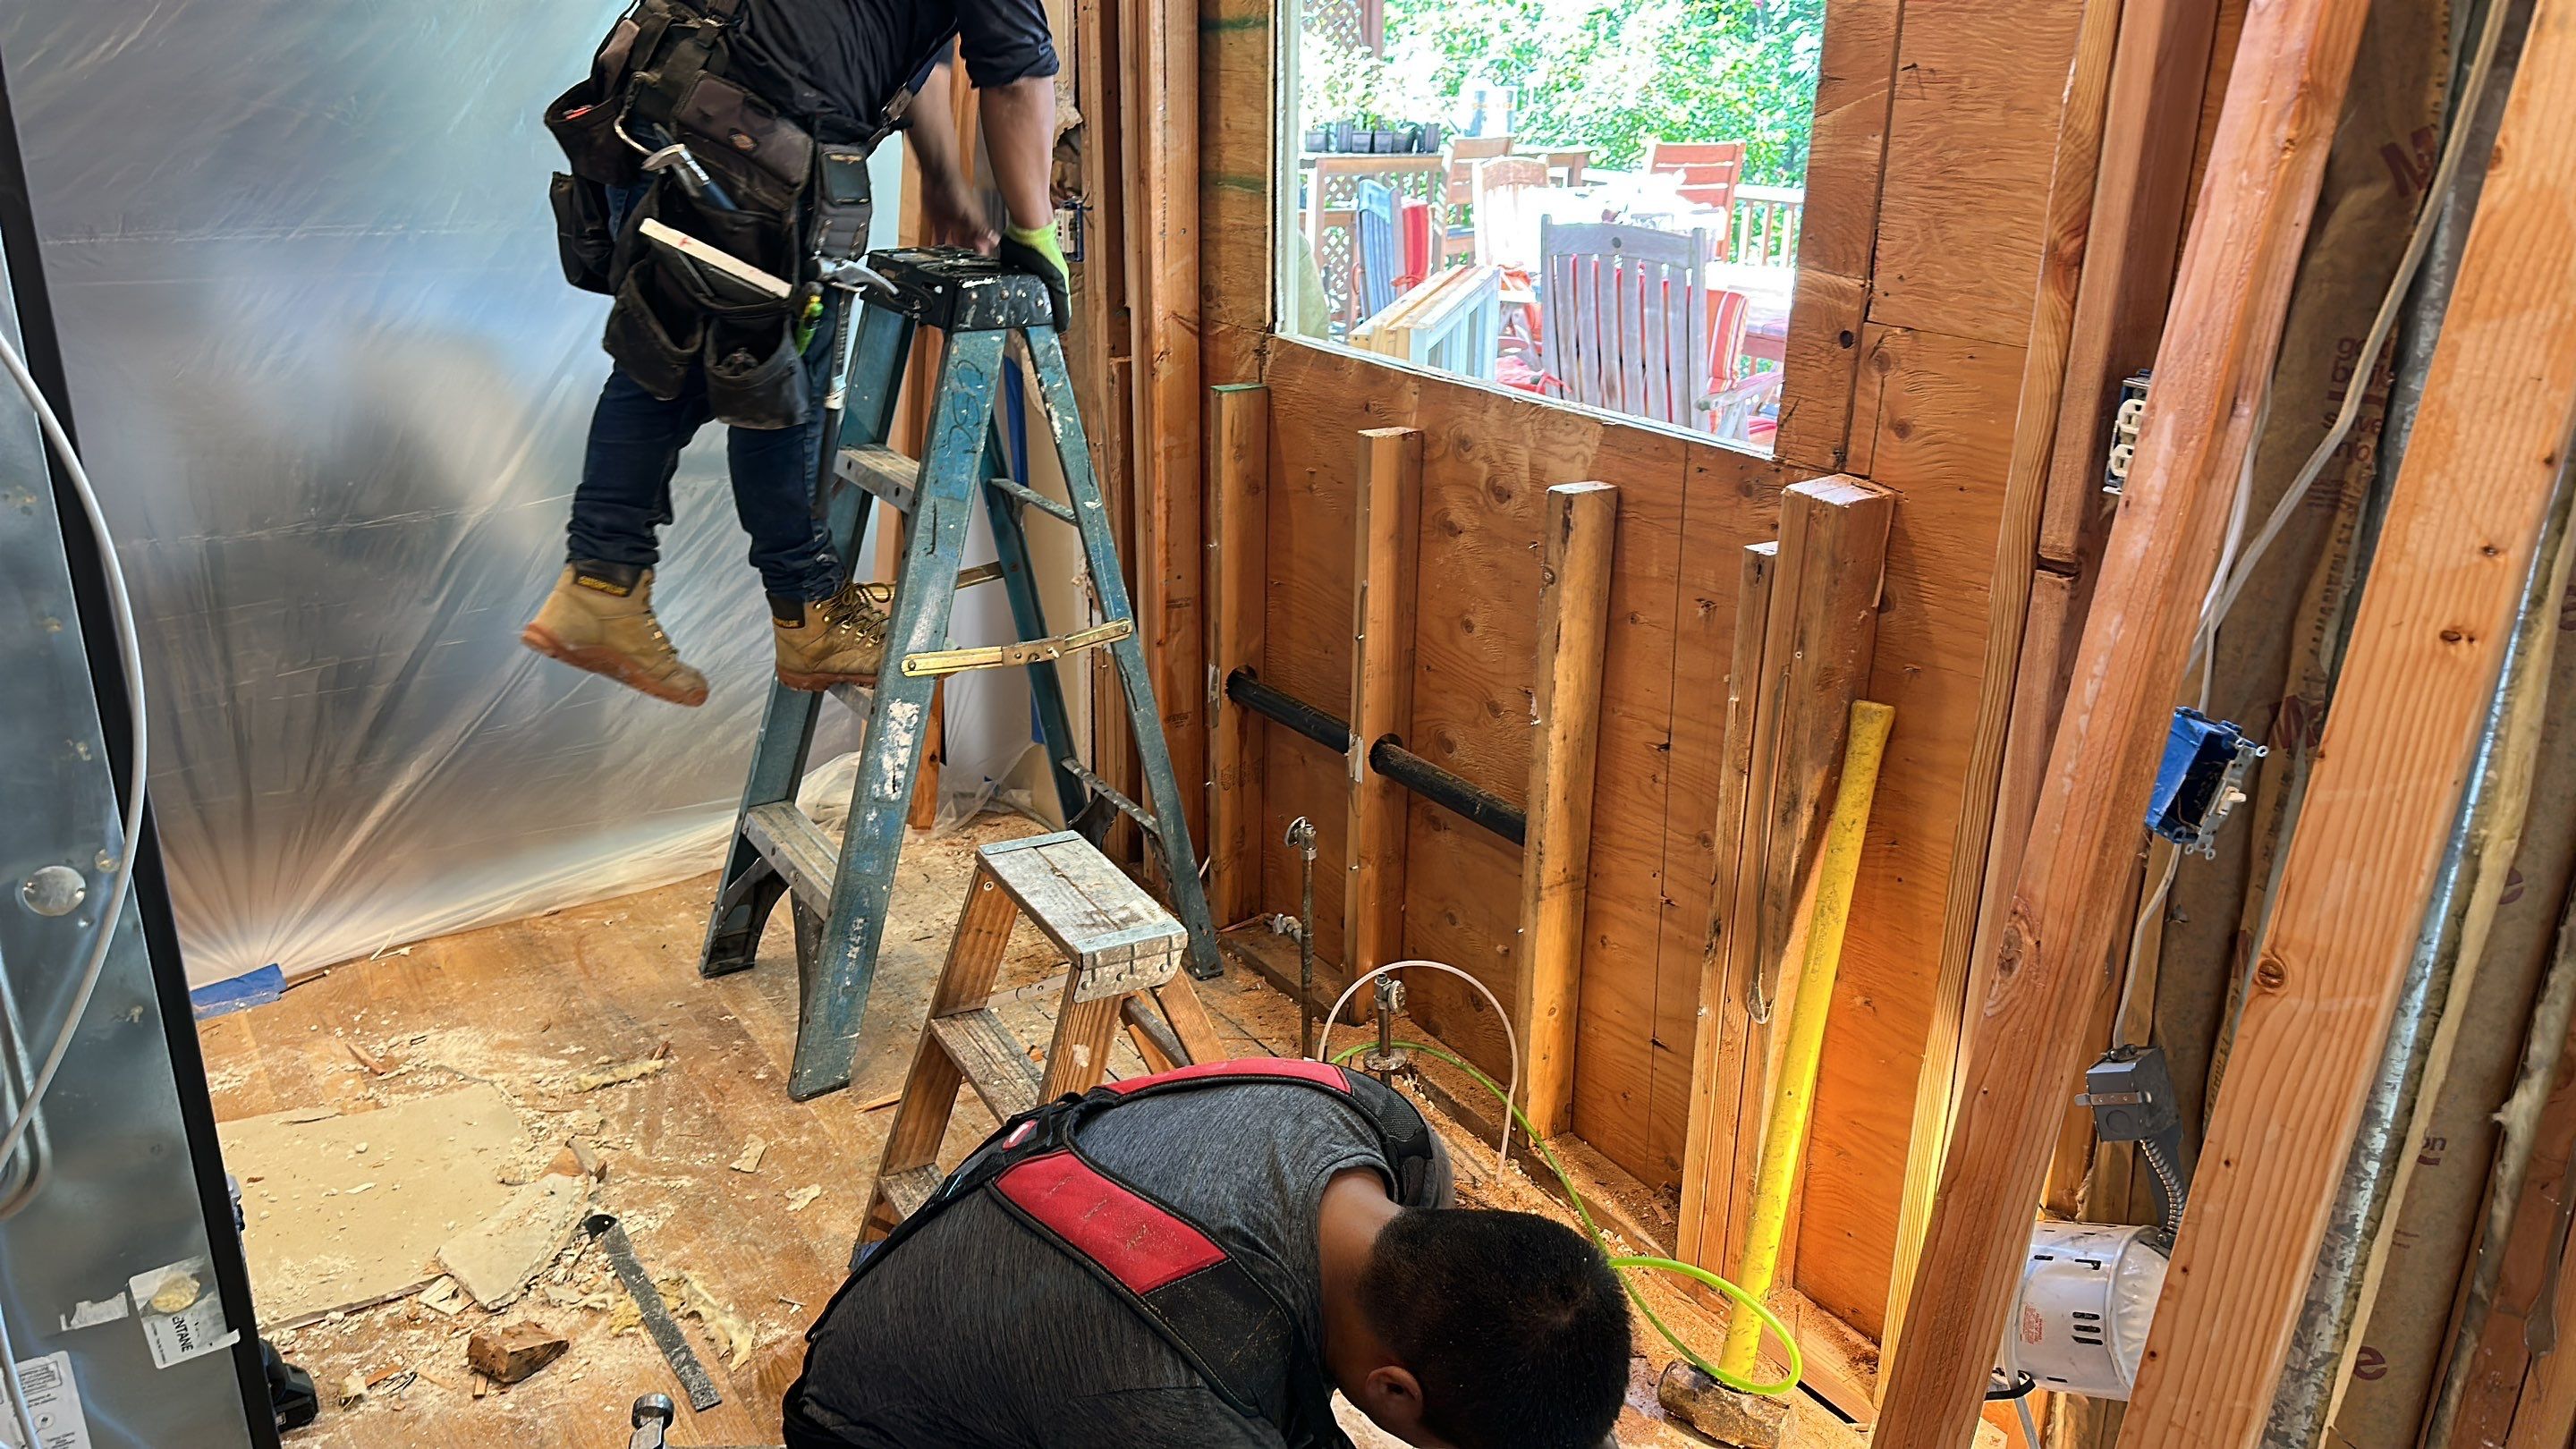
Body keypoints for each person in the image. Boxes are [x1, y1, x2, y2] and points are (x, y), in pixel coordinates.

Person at [521, 0, 1072, 706]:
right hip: (748, 138)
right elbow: (1018, 77)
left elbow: (923, 59)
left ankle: (606, 583)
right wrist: (1034, 234)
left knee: (667, 356)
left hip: (668, 100)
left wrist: (941, 179)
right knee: (771, 386)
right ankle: (799, 612)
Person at [783, 1062, 1634, 1449]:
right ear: (1394, 1391)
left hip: (1008, 1282)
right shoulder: (1182, 1400)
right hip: (867, 1423)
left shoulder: (1393, 1139)